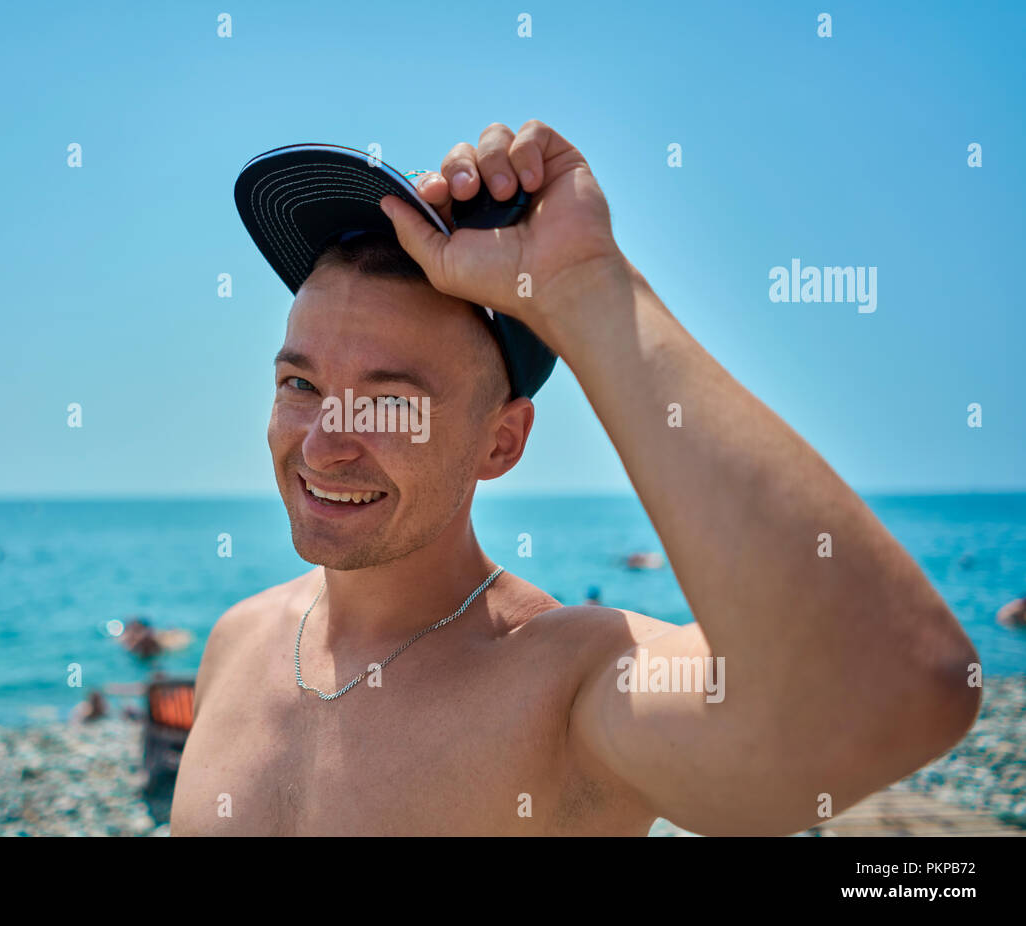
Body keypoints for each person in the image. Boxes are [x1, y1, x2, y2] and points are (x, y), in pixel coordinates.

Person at [170, 122, 980, 836]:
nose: (321, 446)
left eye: (387, 405)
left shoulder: (563, 688)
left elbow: (893, 688)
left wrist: (585, 286)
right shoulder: (238, 644)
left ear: (501, 444)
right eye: (299, 385)